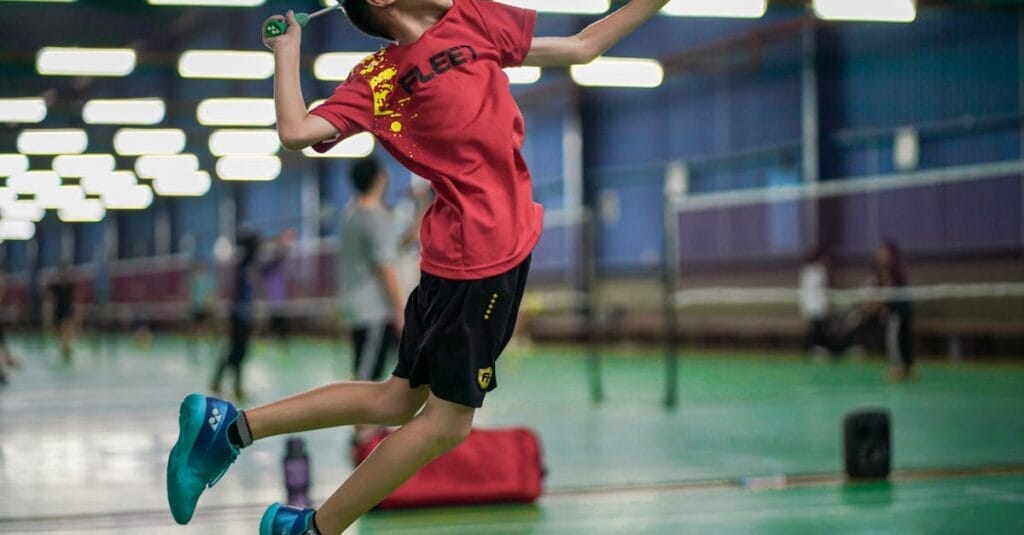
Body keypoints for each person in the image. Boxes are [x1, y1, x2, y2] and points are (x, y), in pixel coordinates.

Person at [167, 1, 670, 533]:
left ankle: (230, 428)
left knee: (396, 399)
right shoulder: (378, 79)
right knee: (447, 423)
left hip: (470, 253)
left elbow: (583, 47)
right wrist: (286, 52)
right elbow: (296, 130)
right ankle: (312, 529)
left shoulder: (475, 21)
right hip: (477, 258)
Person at [337, 157, 406, 443]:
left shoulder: (353, 212)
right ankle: (361, 437)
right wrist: (400, 308)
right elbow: (385, 266)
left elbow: (393, 246)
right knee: (367, 375)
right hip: (373, 309)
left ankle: (365, 428)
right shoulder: (372, 216)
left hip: (359, 307)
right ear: (379, 177)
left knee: (369, 370)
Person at [209, 229, 261, 400]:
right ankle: (222, 383)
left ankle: (233, 385)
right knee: (235, 351)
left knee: (239, 352)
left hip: (243, 315)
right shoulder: (243, 265)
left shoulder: (247, 264)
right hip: (238, 316)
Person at [874, 239, 914, 380]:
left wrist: (883, 306)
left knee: (894, 339)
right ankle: (905, 368)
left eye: (884, 253)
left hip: (898, 310)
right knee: (901, 338)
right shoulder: (895, 269)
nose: (881, 256)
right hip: (901, 310)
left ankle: (899, 367)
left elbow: (888, 291)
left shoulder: (889, 270)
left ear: (892, 255)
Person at [261, 229, 295, 357]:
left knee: (281, 321)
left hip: (280, 297)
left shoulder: (278, 260)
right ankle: (273, 342)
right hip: (274, 296)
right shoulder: (272, 261)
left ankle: (281, 344)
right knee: (274, 321)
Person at [187, 259, 216, 362]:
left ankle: (207, 347)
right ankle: (193, 349)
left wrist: (210, 306)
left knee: (206, 329)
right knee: (194, 329)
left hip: (204, 308)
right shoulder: (194, 281)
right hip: (196, 308)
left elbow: (210, 294)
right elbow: (191, 295)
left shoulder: (208, 280)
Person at [47, 266, 76, 364]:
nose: (64, 275)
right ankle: (65, 349)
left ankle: (67, 348)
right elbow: (50, 300)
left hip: (68, 311)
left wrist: (77, 316)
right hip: (58, 312)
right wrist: (48, 316)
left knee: (66, 330)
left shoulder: (71, 286)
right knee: (60, 334)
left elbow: (75, 300)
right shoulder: (55, 286)